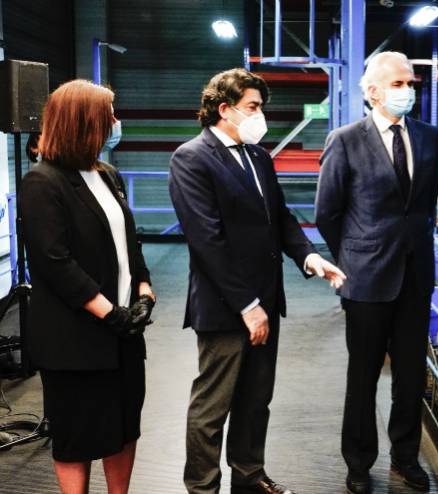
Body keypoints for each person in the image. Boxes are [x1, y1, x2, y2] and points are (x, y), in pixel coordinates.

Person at [169, 68, 345, 494]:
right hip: (226, 306)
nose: (259, 115)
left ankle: (249, 476)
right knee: (213, 406)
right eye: (252, 107)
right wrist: (247, 306)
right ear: (224, 109)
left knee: (255, 400)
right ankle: (203, 487)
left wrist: (309, 257)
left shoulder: (258, 157)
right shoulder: (192, 158)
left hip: (266, 298)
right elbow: (208, 241)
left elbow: (279, 218)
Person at [315, 51, 438, 494]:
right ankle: (358, 463)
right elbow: (327, 212)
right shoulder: (345, 140)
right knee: (363, 376)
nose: (407, 91)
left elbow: (424, 205)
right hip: (366, 278)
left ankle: (406, 457)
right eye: (398, 84)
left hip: (415, 276)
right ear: (372, 91)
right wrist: (353, 258)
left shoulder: (428, 138)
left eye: (410, 84)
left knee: (410, 377)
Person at [20, 79, 155, 494]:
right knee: (75, 439)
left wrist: (144, 292)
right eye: (109, 115)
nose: (116, 121)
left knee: (124, 429)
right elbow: (55, 263)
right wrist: (110, 313)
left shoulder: (107, 174)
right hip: (75, 340)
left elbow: (128, 243)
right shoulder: (43, 182)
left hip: (122, 336)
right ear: (84, 122)